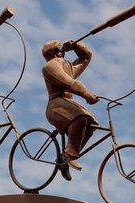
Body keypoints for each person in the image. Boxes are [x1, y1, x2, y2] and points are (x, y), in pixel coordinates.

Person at [41, 39, 100, 180]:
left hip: (67, 103)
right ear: (55, 51)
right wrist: (85, 93)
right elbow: (68, 82)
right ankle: (69, 155)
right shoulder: (50, 66)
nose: (62, 50)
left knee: (91, 124)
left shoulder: (66, 66)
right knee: (80, 118)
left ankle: (67, 155)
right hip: (56, 106)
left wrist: (75, 46)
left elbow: (86, 57)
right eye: (59, 47)